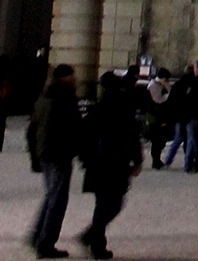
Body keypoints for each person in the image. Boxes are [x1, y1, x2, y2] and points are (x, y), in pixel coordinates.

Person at [78, 71, 143, 260]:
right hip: (115, 163)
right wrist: (137, 160)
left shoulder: (98, 109)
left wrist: (85, 159)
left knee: (104, 204)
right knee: (113, 204)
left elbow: (84, 137)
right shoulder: (122, 108)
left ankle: (94, 240)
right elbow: (132, 136)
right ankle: (93, 240)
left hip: (98, 164)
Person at [26, 64, 82, 259]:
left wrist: (35, 155)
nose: (75, 79)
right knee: (57, 200)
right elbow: (75, 127)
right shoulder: (65, 98)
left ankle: (36, 236)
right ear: (65, 78)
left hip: (45, 153)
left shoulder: (44, 96)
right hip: (59, 154)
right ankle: (45, 243)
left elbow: (32, 129)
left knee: (51, 196)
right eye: (72, 76)